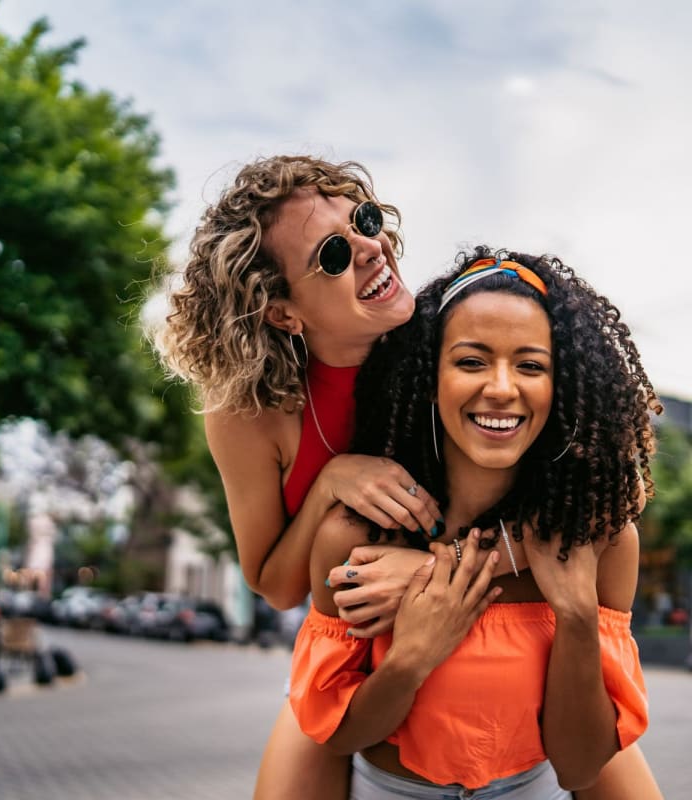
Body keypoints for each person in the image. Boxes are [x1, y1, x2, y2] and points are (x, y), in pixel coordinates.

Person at [290, 248, 664, 799]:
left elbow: (581, 769)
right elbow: (341, 734)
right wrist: (413, 655)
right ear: (429, 377)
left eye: (531, 366)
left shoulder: (597, 541)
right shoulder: (358, 535)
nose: (502, 388)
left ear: (559, 388)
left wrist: (577, 615)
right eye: (471, 361)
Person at [151, 155, 444, 799]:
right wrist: (330, 484)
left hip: (475, 625)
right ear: (283, 311)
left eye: (365, 221)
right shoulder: (248, 414)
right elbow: (273, 585)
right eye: (333, 255)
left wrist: (428, 574)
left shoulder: (458, 347)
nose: (371, 248)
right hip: (342, 656)